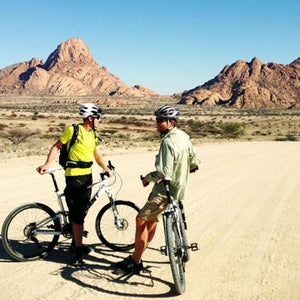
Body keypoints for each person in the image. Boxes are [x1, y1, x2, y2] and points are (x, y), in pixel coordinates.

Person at [113, 104, 199, 275]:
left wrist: (147, 178)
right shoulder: (183, 136)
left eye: (160, 121)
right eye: (157, 120)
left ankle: (135, 261)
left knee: (140, 220)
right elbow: (193, 159)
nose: (157, 123)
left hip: (164, 191)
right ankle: (140, 251)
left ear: (171, 122)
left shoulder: (167, 142)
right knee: (151, 221)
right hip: (179, 188)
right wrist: (190, 167)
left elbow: (163, 172)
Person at [36, 103, 112, 265]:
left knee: (81, 212)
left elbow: (96, 154)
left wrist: (105, 167)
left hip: (87, 176)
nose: (100, 120)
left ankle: (75, 242)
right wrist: (47, 164)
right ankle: (77, 250)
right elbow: (57, 146)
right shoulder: (73, 130)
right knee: (77, 215)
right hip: (74, 176)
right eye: (98, 117)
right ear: (90, 118)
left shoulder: (93, 134)